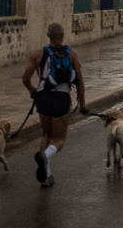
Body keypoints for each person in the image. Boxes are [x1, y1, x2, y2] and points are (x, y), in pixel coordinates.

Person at [22, 23, 88, 188]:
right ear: (63, 35)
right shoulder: (72, 54)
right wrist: (83, 103)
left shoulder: (38, 54)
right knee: (59, 140)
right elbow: (79, 80)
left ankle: (47, 176)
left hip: (43, 97)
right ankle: (46, 156)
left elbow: (25, 78)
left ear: (47, 35)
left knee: (46, 135)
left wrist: (32, 90)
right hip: (61, 99)